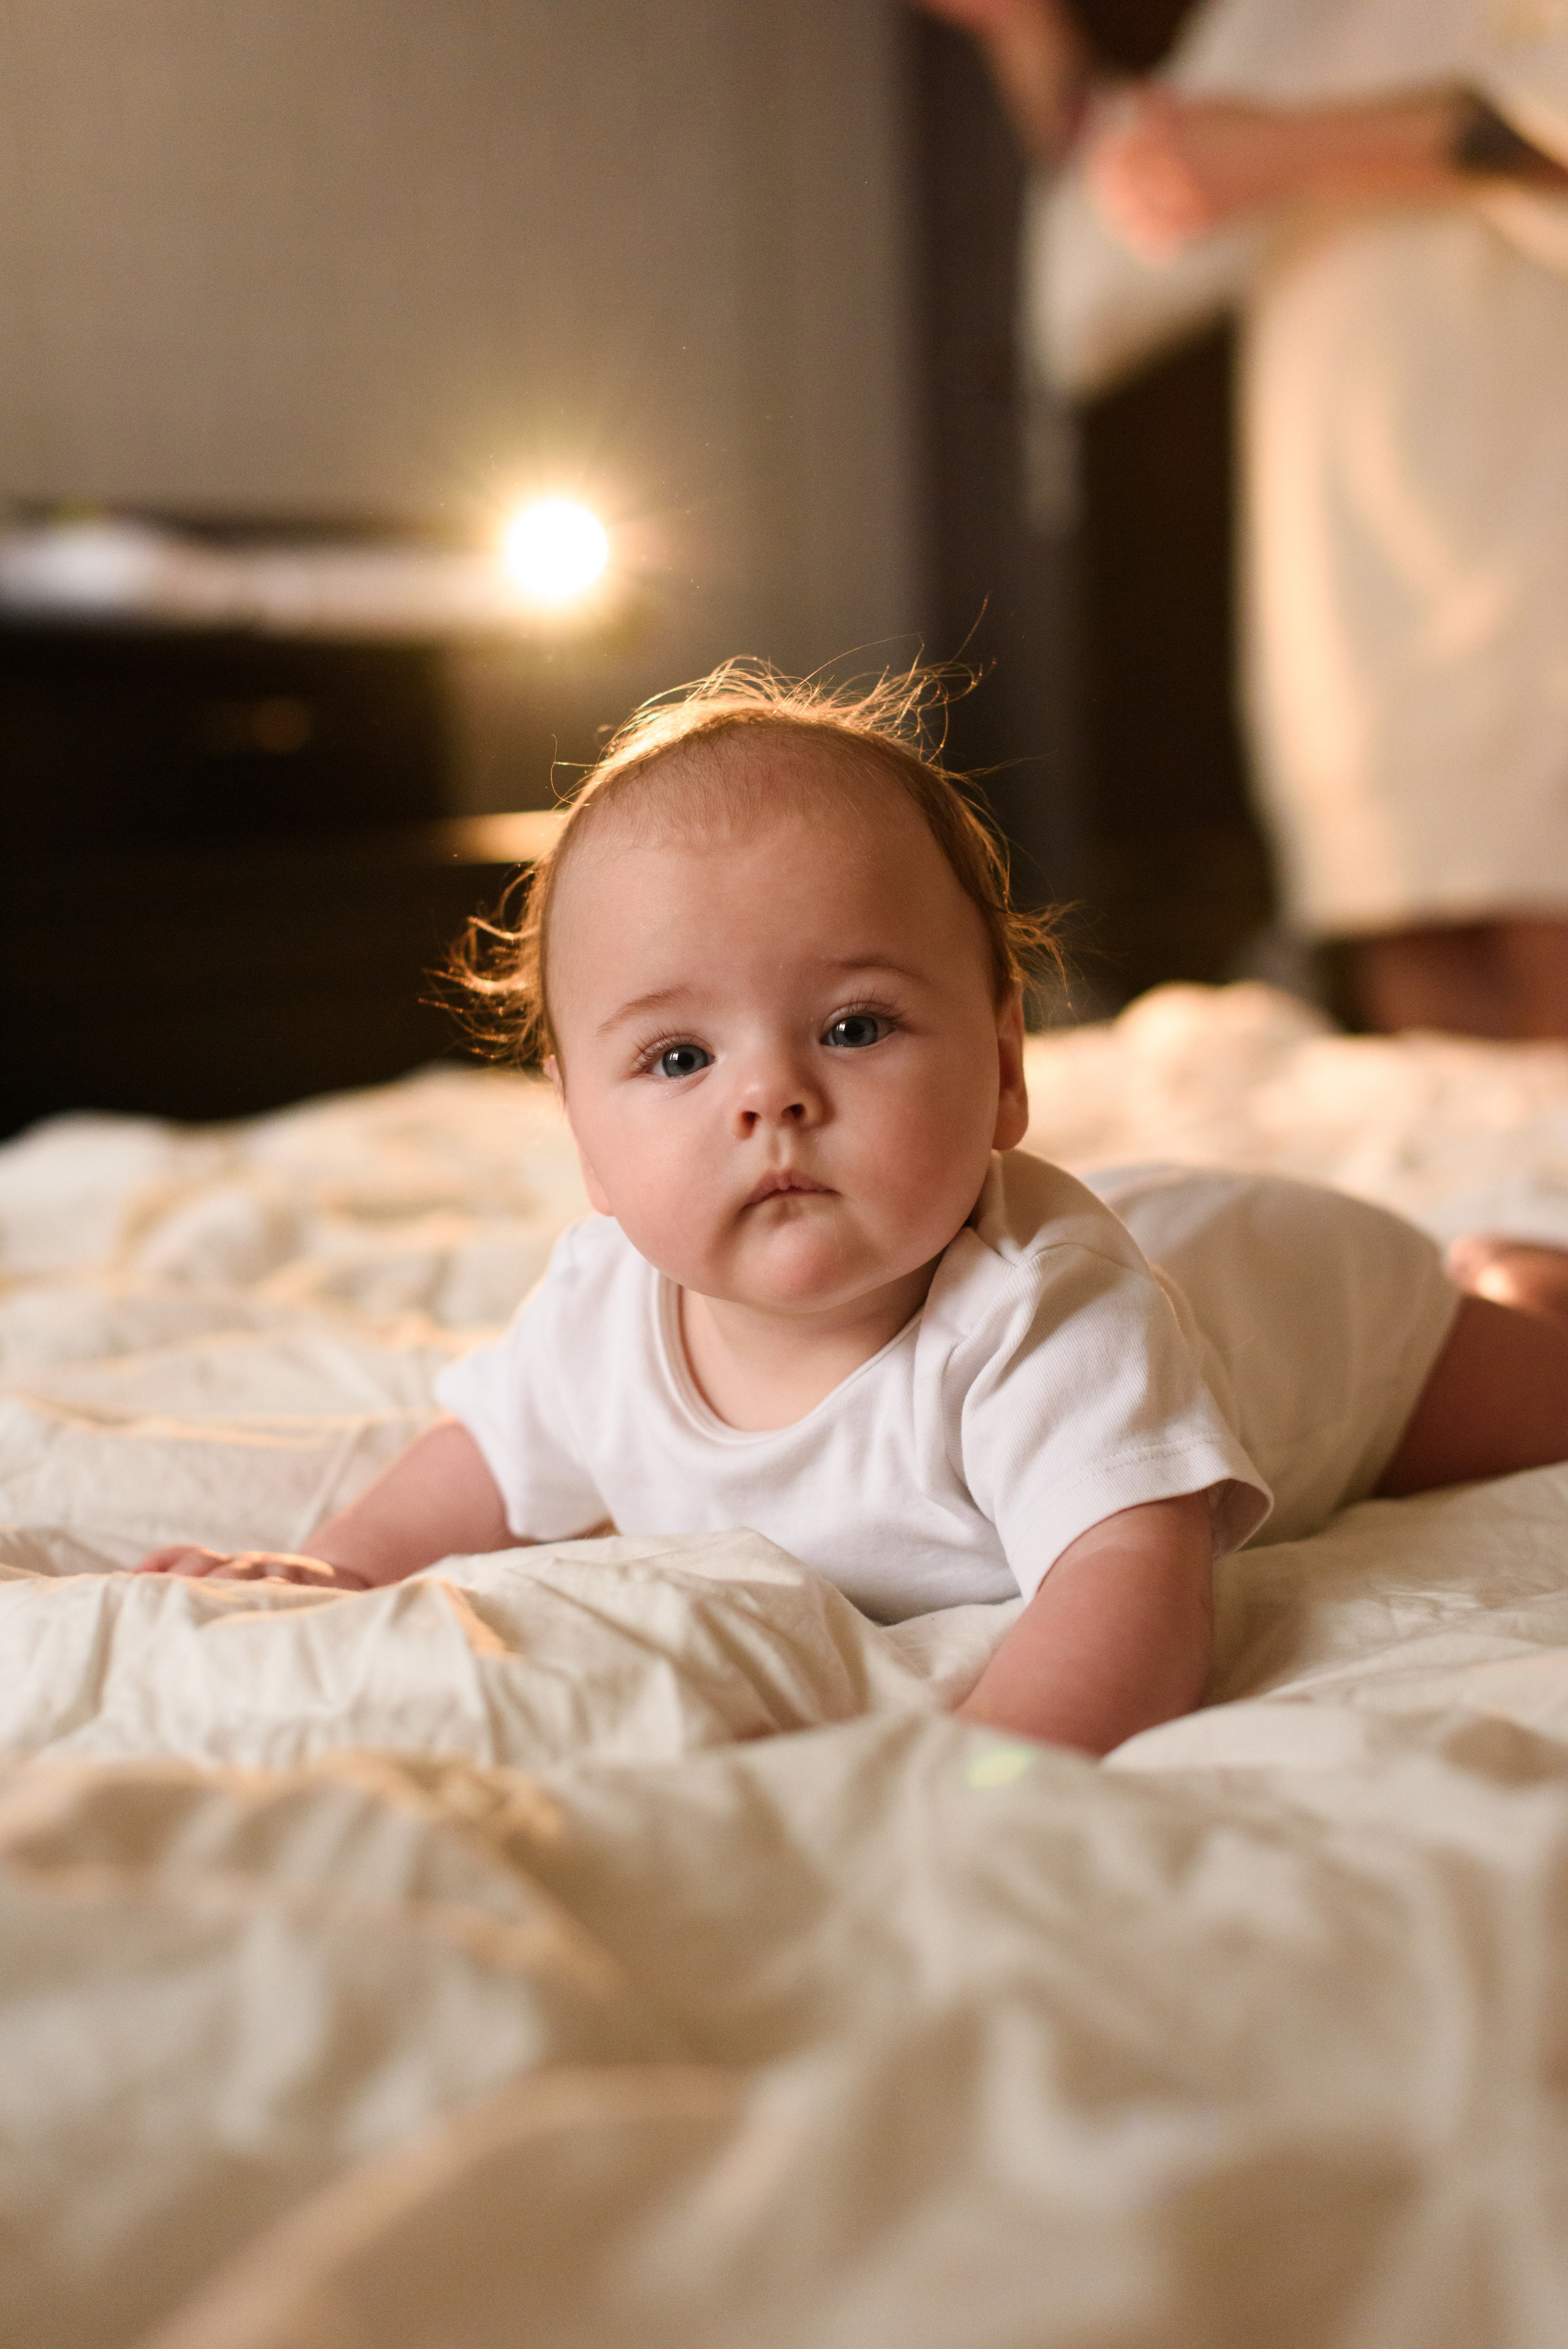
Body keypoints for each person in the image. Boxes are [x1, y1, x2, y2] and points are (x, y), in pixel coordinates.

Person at [138, 669, 1568, 1754]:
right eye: (679, 1058)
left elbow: (1126, 1605)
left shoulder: (1037, 1320)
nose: (769, 1098)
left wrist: (983, 1777)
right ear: (578, 1130)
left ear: (1006, 1068)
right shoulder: (600, 1314)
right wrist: (333, 1565)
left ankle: (1505, 1280)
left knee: (1532, 1384)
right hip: (1176, 1244)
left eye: (857, 1025)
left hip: (1313, 1314)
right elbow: (488, 1465)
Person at [915, 0, 1568, 1038]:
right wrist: (1028, 37)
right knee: (1430, 1020)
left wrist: (1289, 148)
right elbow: (1131, 215)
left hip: (1537, 541)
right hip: (1354, 576)